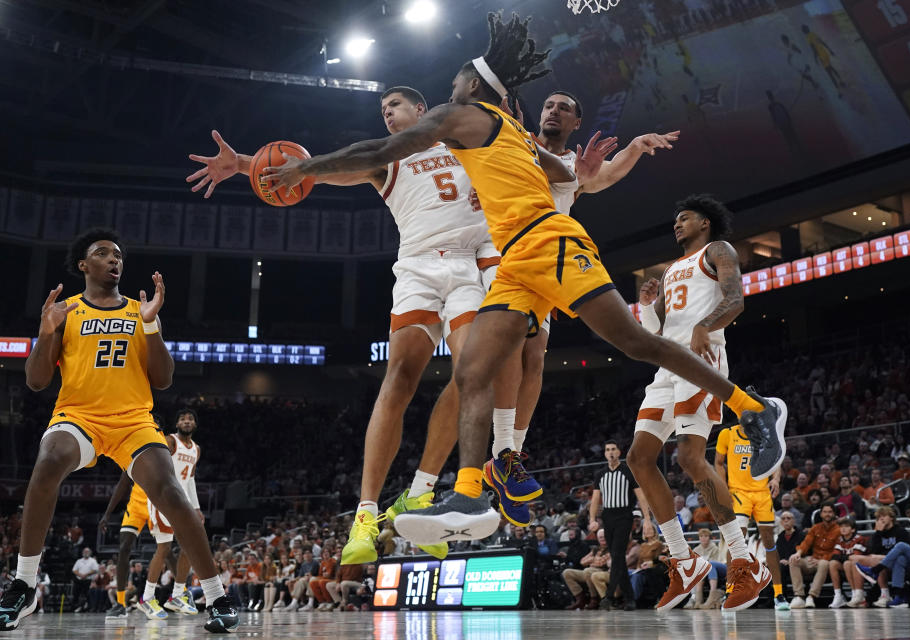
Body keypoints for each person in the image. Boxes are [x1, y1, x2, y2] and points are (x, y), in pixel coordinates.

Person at [263, 11, 786, 548]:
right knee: (473, 370)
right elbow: (564, 173)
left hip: (549, 242)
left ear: (472, 87)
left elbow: (379, 151)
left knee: (633, 341)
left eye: (454, 84)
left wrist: (307, 168)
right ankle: (470, 491)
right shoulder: (510, 128)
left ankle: (752, 410)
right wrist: (577, 172)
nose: (448, 91)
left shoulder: (462, 115)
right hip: (514, 260)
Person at [186, 85, 590, 562]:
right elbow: (324, 170)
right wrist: (247, 164)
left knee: (472, 372)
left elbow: (547, 169)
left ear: (423, 110)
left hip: (469, 264)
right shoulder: (387, 161)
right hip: (418, 268)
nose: (387, 116)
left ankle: (431, 487)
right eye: (382, 111)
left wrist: (575, 174)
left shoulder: (465, 138)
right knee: (398, 377)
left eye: (394, 106)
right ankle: (365, 514)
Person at [0, 228, 237, 633]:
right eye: (103, 253)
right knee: (47, 462)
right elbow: (35, 380)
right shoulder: (64, 311)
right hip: (78, 417)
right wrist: (46, 332)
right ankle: (24, 586)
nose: (114, 260)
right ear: (84, 265)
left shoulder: (140, 310)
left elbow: (165, 378)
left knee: (169, 489)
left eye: (118, 255)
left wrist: (151, 325)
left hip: (133, 421)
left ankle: (217, 594)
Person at [483, 91, 677, 509]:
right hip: (498, 254)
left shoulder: (575, 166)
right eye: (549, 104)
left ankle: (510, 456)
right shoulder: (512, 141)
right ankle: (497, 452)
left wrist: (637, 147)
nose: (553, 110)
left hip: (547, 261)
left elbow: (602, 175)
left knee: (534, 359)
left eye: (565, 108)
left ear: (576, 124)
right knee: (508, 352)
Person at [629, 194, 773, 612]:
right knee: (639, 458)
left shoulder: (717, 251)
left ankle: (744, 562)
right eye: (675, 219)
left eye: (685, 218)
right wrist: (645, 307)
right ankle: (683, 558)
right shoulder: (672, 268)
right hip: (665, 367)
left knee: (690, 458)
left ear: (705, 223)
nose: (677, 224)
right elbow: (657, 329)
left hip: (702, 362)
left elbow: (736, 299)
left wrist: (705, 326)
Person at [99, 414, 177, 622]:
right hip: (136, 505)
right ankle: (121, 603)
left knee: (167, 551)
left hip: (158, 502)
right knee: (123, 548)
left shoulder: (165, 444)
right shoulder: (134, 446)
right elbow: (123, 482)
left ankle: (179, 594)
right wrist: (107, 513)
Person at [137, 409, 203, 619]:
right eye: (182, 418)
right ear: (177, 423)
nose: (186, 421)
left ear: (195, 424)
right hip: (163, 499)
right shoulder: (170, 441)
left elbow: (190, 480)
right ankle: (146, 598)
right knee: (164, 548)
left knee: (189, 547)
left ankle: (177, 596)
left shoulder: (196, 449)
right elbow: (154, 463)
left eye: (190, 419)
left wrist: (197, 508)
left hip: (183, 503)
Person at [715, 419, 787, 609]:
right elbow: (718, 463)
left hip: (762, 493)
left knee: (769, 542)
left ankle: (779, 594)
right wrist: (723, 489)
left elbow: (776, 457)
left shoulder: (765, 434)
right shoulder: (727, 434)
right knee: (736, 541)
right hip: (738, 493)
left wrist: (776, 479)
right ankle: (731, 591)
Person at [586, 441, 653, 611]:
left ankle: (608, 596)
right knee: (618, 558)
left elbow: (641, 496)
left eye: (613, 449)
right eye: (607, 450)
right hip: (607, 517)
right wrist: (592, 518)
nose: (610, 452)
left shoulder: (629, 472)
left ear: (619, 452)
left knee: (616, 553)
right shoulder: (600, 474)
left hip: (624, 516)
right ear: (604, 454)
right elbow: (595, 499)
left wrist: (647, 519)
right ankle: (630, 599)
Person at [788, 503, 839, 608]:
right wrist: (798, 553)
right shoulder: (815, 528)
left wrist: (823, 558)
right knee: (793, 559)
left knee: (824, 563)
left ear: (834, 514)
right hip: (812, 559)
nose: (827, 514)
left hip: (826, 561)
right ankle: (799, 596)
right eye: (825, 512)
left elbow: (837, 550)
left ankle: (811, 596)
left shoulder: (838, 530)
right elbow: (806, 543)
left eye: (830, 512)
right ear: (820, 514)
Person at [828, 517, 866, 608]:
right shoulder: (840, 540)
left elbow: (856, 557)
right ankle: (838, 596)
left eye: (846, 526)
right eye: (841, 527)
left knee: (848, 563)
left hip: (861, 566)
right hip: (848, 564)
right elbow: (834, 556)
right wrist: (846, 557)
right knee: (833, 563)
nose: (843, 529)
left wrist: (843, 557)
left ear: (853, 529)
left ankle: (856, 594)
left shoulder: (859, 538)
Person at [70, 547, 100, 613]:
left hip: (88, 580)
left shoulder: (93, 561)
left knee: (87, 594)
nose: (86, 553)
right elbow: (74, 570)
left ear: (90, 553)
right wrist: (81, 575)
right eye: (85, 551)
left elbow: (95, 569)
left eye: (87, 552)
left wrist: (86, 574)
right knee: (76, 594)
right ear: (82, 553)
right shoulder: (79, 561)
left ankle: (87, 607)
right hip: (79, 580)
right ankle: (76, 606)